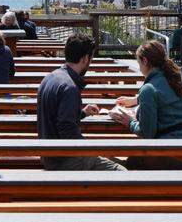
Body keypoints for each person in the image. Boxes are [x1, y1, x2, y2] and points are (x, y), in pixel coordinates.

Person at [36, 34, 125, 171]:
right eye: (91, 58)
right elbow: (66, 129)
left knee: (113, 159)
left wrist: (82, 113)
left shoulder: (50, 78)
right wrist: (89, 148)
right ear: (85, 58)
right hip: (66, 160)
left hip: (49, 156)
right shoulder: (69, 87)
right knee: (123, 173)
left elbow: (57, 118)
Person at [109, 40, 182, 170]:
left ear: (145, 61)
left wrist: (129, 122)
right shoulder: (175, 79)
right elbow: (164, 96)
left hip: (172, 151)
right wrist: (137, 99)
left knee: (130, 163)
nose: (139, 67)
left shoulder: (149, 89)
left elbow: (147, 133)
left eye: (139, 63)